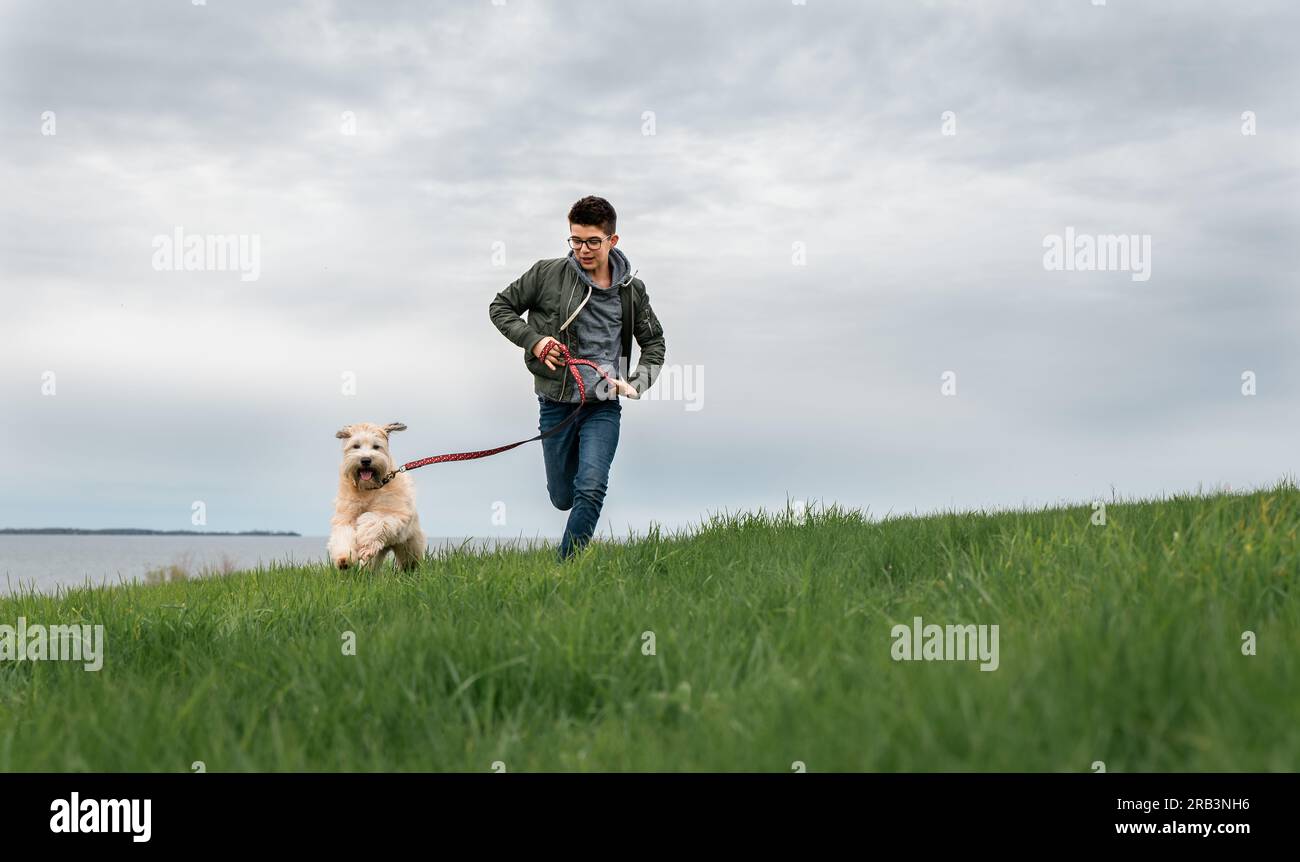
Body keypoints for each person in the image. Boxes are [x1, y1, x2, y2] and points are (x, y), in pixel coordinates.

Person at [489, 195, 667, 561]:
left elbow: (654, 342)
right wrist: (535, 342)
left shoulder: (631, 291)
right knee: (562, 497)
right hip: (555, 404)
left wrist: (636, 383)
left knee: (591, 487)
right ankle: (567, 514)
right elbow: (500, 307)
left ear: (612, 241)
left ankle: (563, 568)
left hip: (602, 406)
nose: (583, 249)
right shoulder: (546, 273)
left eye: (592, 241)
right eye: (576, 240)